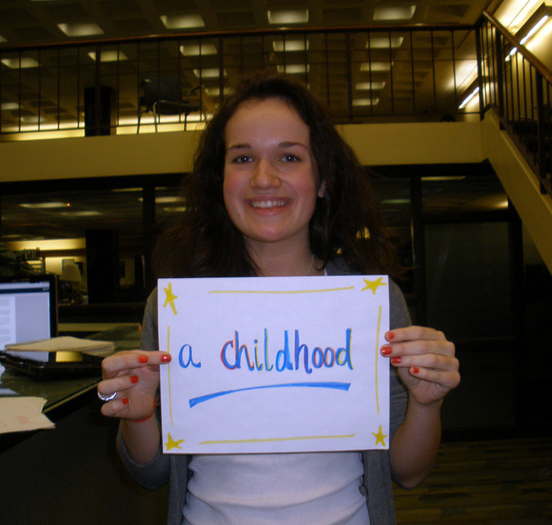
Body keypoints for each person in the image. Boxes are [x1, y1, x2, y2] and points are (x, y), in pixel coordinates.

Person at [97, 75, 460, 524]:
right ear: (220, 180)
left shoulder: (373, 301)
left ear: (323, 179)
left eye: (289, 157)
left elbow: (408, 472)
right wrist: (137, 416)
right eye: (243, 157)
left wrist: (427, 403)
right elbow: (150, 474)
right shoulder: (177, 309)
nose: (263, 178)